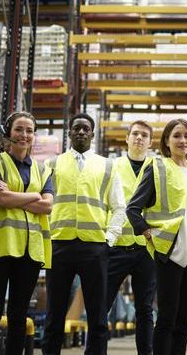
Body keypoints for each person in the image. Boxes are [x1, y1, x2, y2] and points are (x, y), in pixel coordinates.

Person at [126, 118, 187, 355]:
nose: (183, 141)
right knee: (167, 319)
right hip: (170, 253)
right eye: (177, 135)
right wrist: (148, 233)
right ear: (167, 141)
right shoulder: (157, 168)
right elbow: (133, 208)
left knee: (184, 322)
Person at [42, 113, 126, 355]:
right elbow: (44, 203)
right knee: (54, 314)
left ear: (92, 134)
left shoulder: (107, 166)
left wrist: (109, 239)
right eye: (76, 128)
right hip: (59, 245)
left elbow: (119, 206)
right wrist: (47, 236)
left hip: (94, 248)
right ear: (69, 133)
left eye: (85, 129)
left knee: (98, 315)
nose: (80, 132)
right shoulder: (52, 165)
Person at [0, 111, 54, 355]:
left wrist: (14, 197)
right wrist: (33, 196)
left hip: (29, 250)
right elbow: (0, 197)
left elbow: (48, 205)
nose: (24, 135)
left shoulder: (43, 170)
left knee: (19, 315)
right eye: (19, 129)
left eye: (29, 130)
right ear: (8, 133)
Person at [106, 120, 156, 355]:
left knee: (145, 309)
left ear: (150, 141)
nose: (139, 138)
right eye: (135, 134)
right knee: (101, 305)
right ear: (126, 138)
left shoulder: (158, 168)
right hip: (115, 247)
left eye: (144, 135)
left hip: (148, 249)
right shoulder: (112, 166)